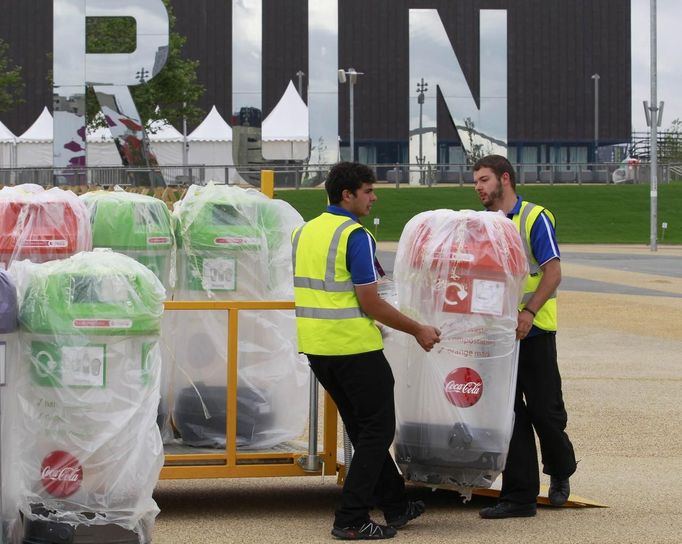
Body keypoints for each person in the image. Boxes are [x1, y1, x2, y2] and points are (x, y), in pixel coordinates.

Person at [292, 161, 441, 540]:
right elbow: (371, 301)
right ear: (348, 194)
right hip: (353, 348)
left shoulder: (305, 232)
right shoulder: (355, 236)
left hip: (318, 348)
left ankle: (395, 504)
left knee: (363, 429)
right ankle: (351, 517)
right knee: (377, 430)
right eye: (369, 191)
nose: (373, 198)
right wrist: (418, 329)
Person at [472, 155, 577, 519]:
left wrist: (528, 313)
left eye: (484, 180)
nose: (479, 188)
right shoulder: (482, 225)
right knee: (509, 413)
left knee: (546, 413)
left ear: (505, 179)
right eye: (476, 182)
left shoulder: (535, 218)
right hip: (498, 336)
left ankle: (560, 468)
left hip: (535, 330)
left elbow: (553, 273)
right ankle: (519, 496)